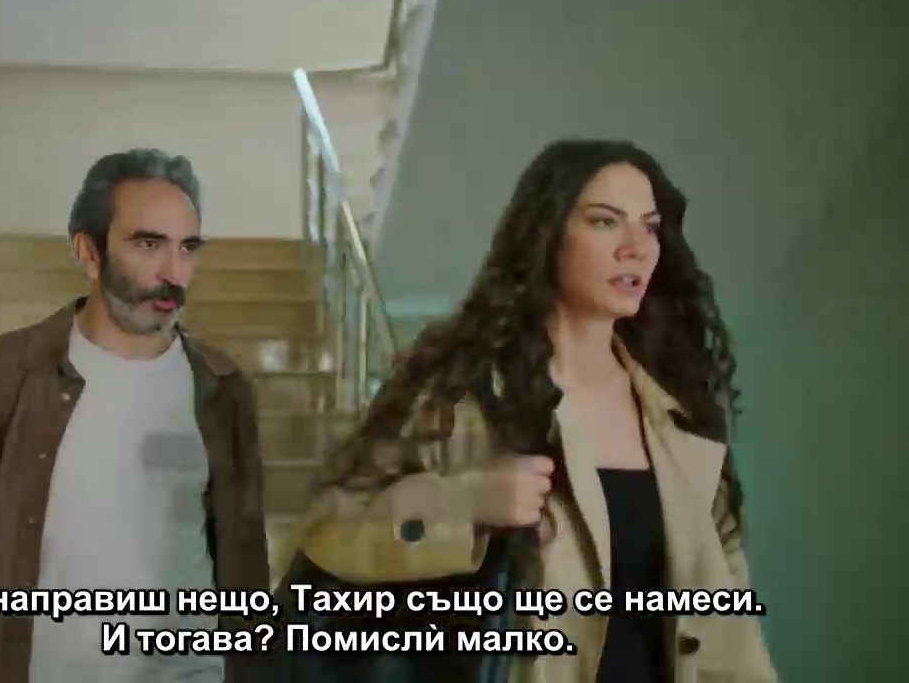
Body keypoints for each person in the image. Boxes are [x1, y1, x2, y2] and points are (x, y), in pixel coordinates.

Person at [287, 139, 777, 682]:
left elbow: (730, 627)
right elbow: (330, 524)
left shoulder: (677, 413)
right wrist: (466, 502)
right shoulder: (465, 393)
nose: (636, 248)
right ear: (546, 235)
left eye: (651, 227)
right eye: (605, 222)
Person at [0, 149, 270, 683]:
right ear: (89, 253)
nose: (173, 272)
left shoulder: (223, 390)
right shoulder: (2, 377)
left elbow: (243, 568)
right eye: (148, 244)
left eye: (187, 248)